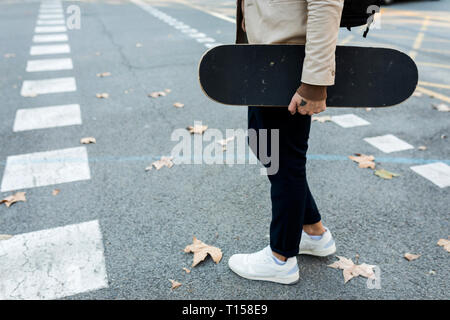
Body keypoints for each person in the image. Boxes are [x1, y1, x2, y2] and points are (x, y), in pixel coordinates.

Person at [228, 0, 344, 284]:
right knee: (263, 142)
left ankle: (281, 257)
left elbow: (326, 4)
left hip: (289, 61)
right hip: (265, 54)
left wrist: (314, 82)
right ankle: (313, 232)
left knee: (283, 158)